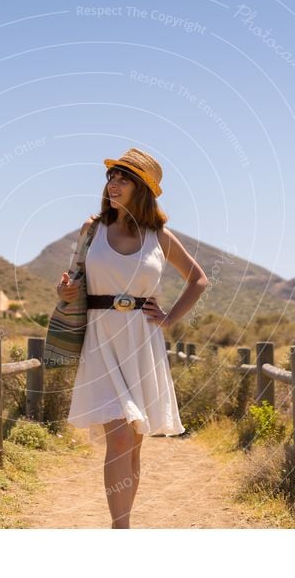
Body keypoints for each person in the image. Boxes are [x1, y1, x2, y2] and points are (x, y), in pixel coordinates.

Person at [56, 147, 208, 529]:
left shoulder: (159, 236)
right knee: (120, 439)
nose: (113, 183)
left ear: (142, 188)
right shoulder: (92, 229)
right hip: (101, 338)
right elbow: (72, 284)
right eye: (111, 177)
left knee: (134, 441)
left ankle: (124, 524)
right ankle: (119, 529)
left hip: (141, 341)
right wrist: (65, 293)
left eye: (123, 178)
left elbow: (199, 279)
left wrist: (170, 317)